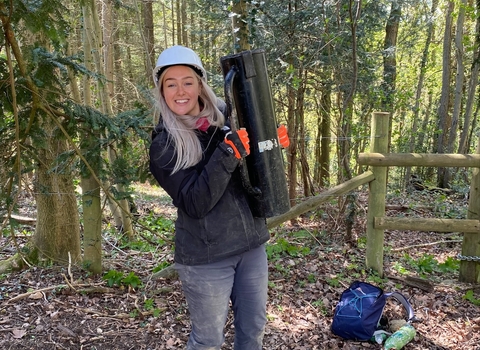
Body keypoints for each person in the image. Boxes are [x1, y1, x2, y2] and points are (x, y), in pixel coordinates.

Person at [149, 45, 287, 350]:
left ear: (200, 84)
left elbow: (251, 174)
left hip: (251, 246)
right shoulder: (164, 145)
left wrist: (269, 144)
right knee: (208, 341)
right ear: (162, 90)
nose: (180, 91)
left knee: (253, 331)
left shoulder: (228, 116)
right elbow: (195, 202)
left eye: (188, 81)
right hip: (206, 258)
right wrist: (228, 152)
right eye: (170, 84)